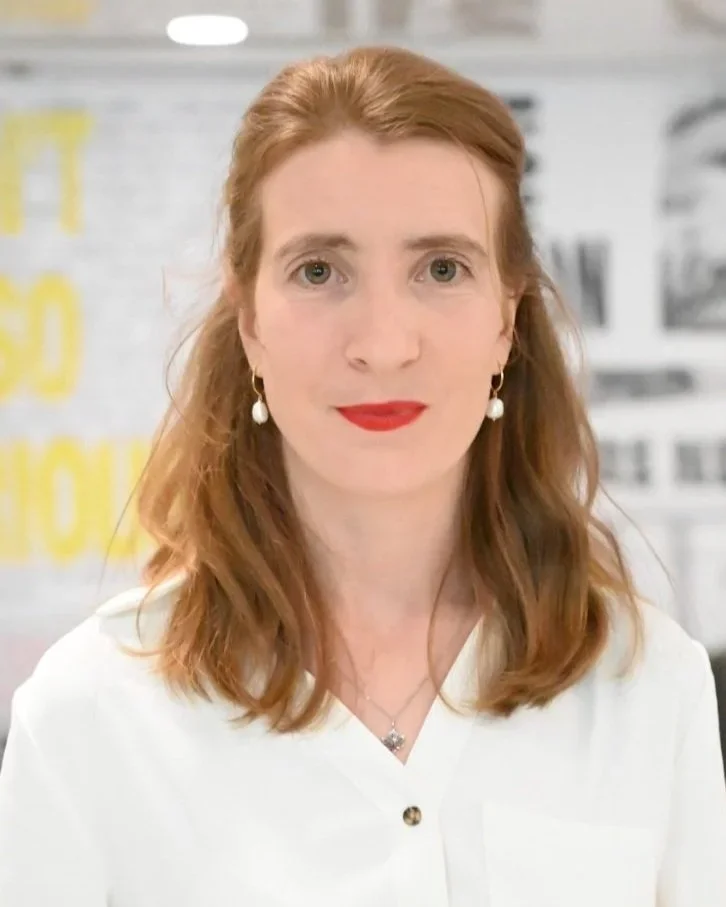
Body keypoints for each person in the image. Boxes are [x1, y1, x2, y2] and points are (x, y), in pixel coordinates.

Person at [0, 45, 724, 907]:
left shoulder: (648, 689)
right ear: (250, 321)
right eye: (319, 271)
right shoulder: (93, 713)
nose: (383, 341)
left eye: (442, 268)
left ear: (507, 319)